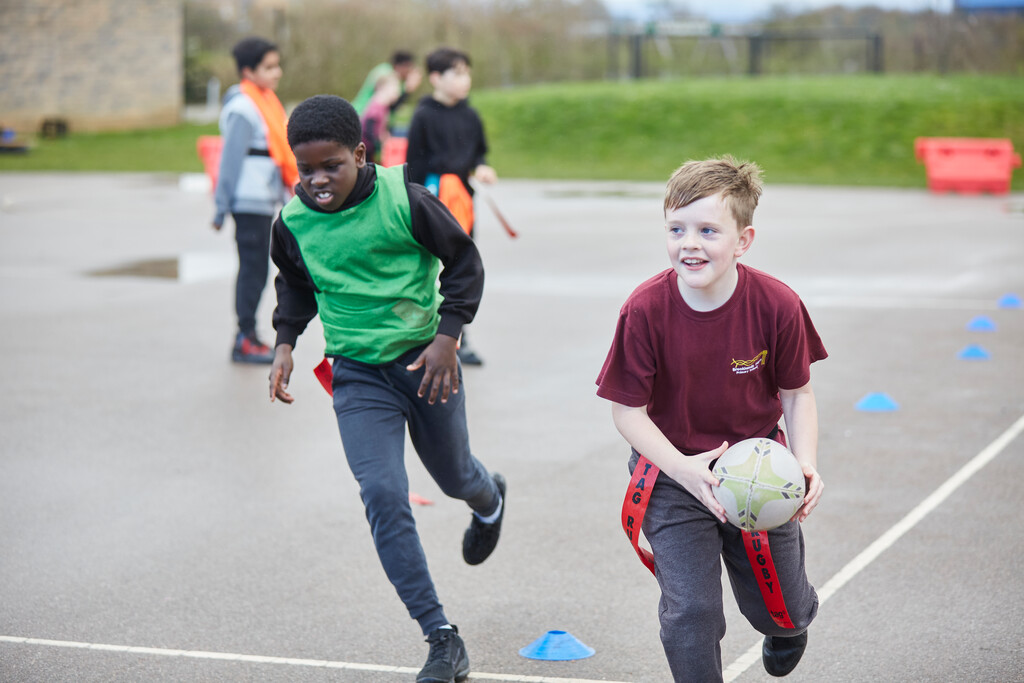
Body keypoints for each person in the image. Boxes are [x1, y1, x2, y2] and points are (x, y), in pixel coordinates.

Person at [268, 94, 506, 683]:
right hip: (357, 374)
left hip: (427, 364)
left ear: (359, 153)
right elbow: (294, 285)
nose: (320, 180)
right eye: (308, 169)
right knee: (382, 493)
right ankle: (441, 637)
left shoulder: (407, 200)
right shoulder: (292, 222)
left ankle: (490, 498)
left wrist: (449, 335)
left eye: (333, 166)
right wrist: (284, 343)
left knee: (456, 478)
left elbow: (464, 263)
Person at [595, 157, 826, 682]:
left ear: (743, 240)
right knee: (691, 612)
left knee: (780, 608)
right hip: (673, 473)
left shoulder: (778, 305)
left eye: (707, 230)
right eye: (676, 229)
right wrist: (683, 469)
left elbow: (798, 392)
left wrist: (806, 463)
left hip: (758, 470)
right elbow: (626, 411)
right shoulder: (644, 309)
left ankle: (787, 627)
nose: (689, 244)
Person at [406, 47, 497, 366]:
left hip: (463, 200)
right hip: (433, 199)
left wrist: (482, 168)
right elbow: (413, 166)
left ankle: (458, 336)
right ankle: (423, 334)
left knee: (461, 264)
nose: (464, 79)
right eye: (456, 73)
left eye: (467, 72)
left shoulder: (470, 115)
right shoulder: (423, 115)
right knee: (428, 267)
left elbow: (478, 154)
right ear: (435, 78)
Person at [212, 36, 298, 364]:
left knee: (259, 269)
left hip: (263, 200)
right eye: (269, 67)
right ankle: (244, 338)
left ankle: (248, 334)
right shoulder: (243, 108)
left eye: (278, 65)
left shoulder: (266, 103)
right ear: (248, 71)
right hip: (247, 203)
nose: (277, 73)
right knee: (253, 270)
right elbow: (230, 162)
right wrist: (221, 206)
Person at [351, 50, 422, 117]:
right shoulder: (386, 72)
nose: (410, 71)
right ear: (401, 66)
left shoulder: (399, 80)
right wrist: (408, 89)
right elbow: (390, 105)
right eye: (409, 67)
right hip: (363, 116)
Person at [360, 73, 402, 164]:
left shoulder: (384, 106)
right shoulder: (376, 106)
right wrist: (379, 143)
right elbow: (368, 128)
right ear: (383, 88)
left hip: (369, 148)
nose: (398, 92)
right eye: (395, 89)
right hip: (365, 148)